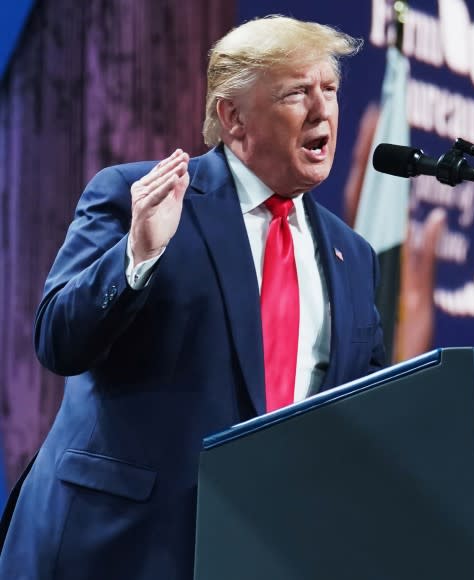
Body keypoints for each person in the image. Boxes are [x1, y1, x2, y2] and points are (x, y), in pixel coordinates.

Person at [0, 15, 385, 580]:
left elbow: (371, 406)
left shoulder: (355, 257)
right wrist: (136, 256)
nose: (322, 110)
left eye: (330, 90)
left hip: (258, 552)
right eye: (298, 92)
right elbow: (58, 340)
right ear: (233, 118)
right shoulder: (139, 197)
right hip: (114, 547)